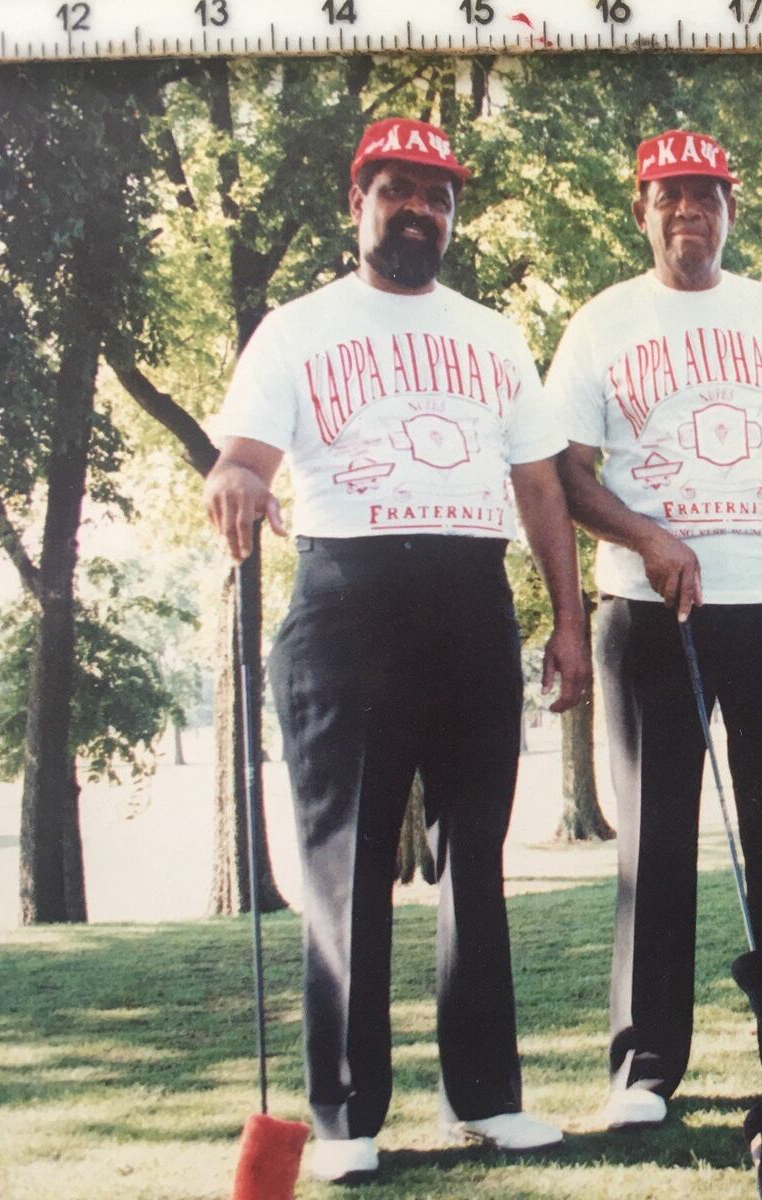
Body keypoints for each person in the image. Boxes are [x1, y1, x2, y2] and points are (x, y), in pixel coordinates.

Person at [203, 117, 592, 1182]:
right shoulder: (296, 327)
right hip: (348, 595)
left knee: (477, 852)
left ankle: (489, 1098)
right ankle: (343, 1118)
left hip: (470, 590)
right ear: (357, 202)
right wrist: (236, 478)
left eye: (437, 195)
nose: (418, 209)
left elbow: (540, 486)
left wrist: (568, 618)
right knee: (350, 861)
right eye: (397, 190)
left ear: (452, 216)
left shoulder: (495, 333)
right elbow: (243, 454)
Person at [548, 129, 762, 1129]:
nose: (689, 211)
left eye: (707, 195)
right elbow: (564, 471)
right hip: (649, 610)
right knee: (656, 837)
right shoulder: (602, 322)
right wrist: (646, 536)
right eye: (669, 196)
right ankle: (643, 1068)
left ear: (731, 207)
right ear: (640, 210)